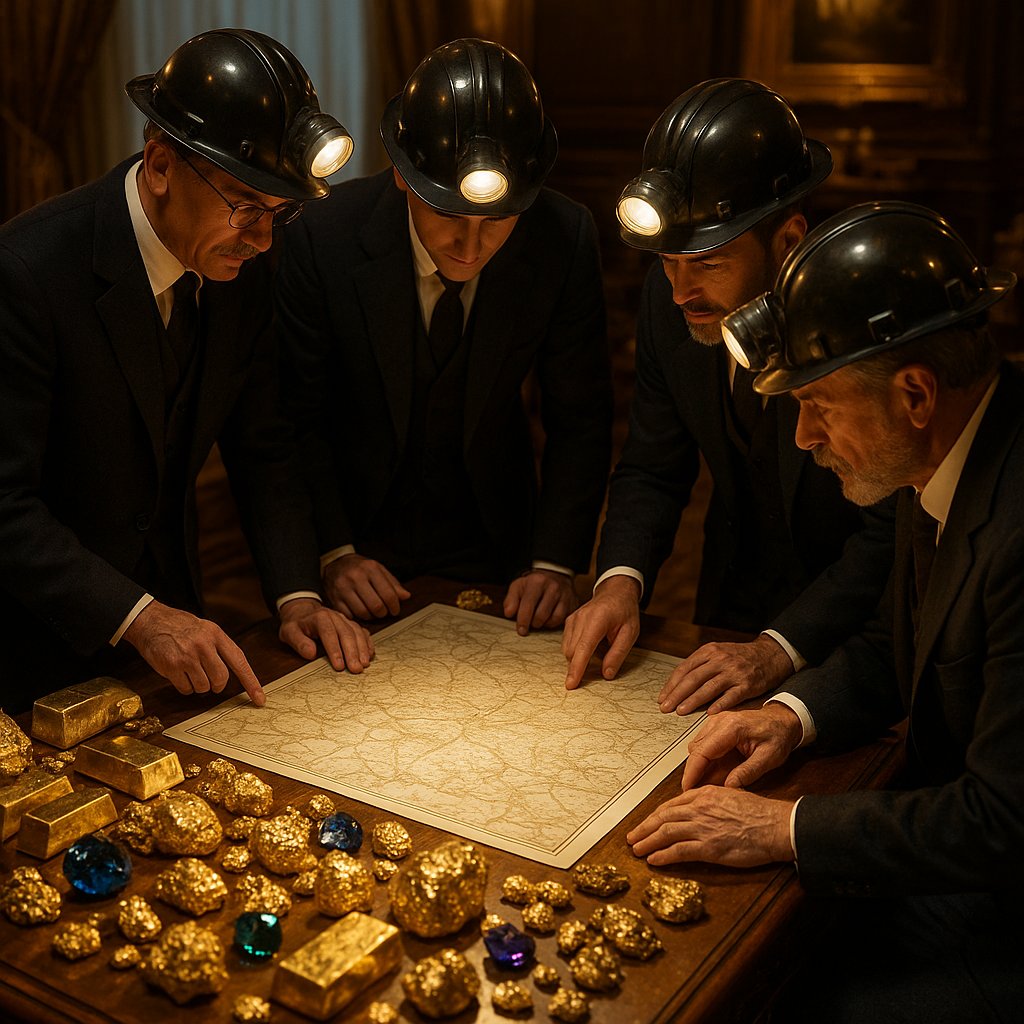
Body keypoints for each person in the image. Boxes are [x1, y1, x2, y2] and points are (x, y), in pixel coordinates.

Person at [629, 201, 1020, 1021]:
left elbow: (1000, 818)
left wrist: (785, 829)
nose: (803, 437)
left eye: (820, 404)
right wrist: (790, 716)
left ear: (914, 392)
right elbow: (901, 646)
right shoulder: (947, 454)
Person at [0, 29, 373, 714]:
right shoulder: (26, 272)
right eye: (244, 206)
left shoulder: (241, 259)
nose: (262, 240)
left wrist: (297, 595)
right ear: (162, 164)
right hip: (34, 652)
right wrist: (140, 615)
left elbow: (263, 444)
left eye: (279, 212)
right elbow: (4, 507)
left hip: (178, 636)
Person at [562, 78, 895, 707]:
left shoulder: (861, 319)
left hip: (852, 638)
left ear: (789, 241)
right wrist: (618, 583)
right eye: (668, 261)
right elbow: (653, 468)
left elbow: (890, 527)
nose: (681, 289)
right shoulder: (672, 302)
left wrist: (780, 647)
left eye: (709, 264)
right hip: (724, 605)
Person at [276, 38, 612, 636]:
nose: (472, 247)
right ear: (405, 178)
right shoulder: (320, 233)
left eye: (497, 221)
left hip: (498, 542)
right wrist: (332, 553)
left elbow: (580, 419)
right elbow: (295, 416)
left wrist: (554, 562)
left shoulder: (564, 237)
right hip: (356, 543)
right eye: (451, 217)